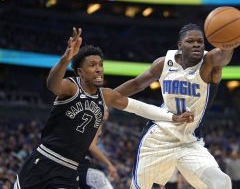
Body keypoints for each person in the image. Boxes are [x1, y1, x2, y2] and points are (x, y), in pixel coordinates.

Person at [13, 27, 193, 189]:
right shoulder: (72, 86)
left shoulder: (105, 95)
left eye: (100, 65)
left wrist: (171, 117)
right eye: (92, 65)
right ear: (80, 72)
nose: (99, 69)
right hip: (43, 161)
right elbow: (52, 84)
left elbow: (138, 107)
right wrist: (66, 58)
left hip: (68, 171)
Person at [115, 23, 238, 189]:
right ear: (180, 45)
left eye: (200, 42)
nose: (196, 44)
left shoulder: (208, 63)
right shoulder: (164, 63)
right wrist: (105, 98)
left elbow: (222, 57)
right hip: (158, 138)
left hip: (189, 141)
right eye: (190, 41)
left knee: (222, 182)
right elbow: (137, 84)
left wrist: (228, 44)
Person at [78, 108, 117, 189]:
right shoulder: (96, 122)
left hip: (71, 166)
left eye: (107, 110)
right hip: (81, 165)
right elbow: (91, 147)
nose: (107, 113)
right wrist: (109, 165)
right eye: (105, 110)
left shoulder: (85, 120)